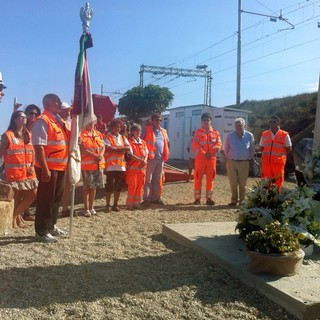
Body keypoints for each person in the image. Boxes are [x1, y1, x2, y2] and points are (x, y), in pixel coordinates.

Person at [31, 94, 69, 243]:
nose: (60, 103)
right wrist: (45, 169)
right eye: (56, 101)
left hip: (60, 166)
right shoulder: (42, 121)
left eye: (60, 100)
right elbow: (39, 147)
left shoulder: (57, 121)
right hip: (49, 167)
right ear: (47, 104)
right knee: (45, 200)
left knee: (56, 199)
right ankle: (41, 231)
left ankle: (51, 226)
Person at [0, 111, 38, 228]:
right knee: (16, 197)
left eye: (25, 117)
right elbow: (1, 152)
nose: (25, 118)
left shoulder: (29, 135)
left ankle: (13, 217)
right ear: (15, 119)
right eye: (22, 117)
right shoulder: (8, 135)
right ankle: (16, 221)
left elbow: (33, 152)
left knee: (32, 194)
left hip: (29, 172)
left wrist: (32, 165)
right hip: (14, 173)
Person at [223, 118, 255, 206]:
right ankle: (233, 201)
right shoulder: (230, 136)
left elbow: (252, 148)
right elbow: (226, 148)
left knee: (242, 183)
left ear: (244, 125)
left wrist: (249, 157)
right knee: (233, 183)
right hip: (231, 162)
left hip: (244, 163)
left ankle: (242, 201)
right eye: (236, 125)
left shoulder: (249, 135)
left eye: (240, 125)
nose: (238, 127)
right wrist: (229, 158)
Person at [192, 112, 221, 205]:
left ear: (210, 121)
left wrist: (211, 152)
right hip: (200, 159)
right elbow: (195, 144)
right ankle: (197, 199)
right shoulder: (197, 132)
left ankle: (209, 198)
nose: (206, 122)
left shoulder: (216, 133)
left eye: (208, 120)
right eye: (204, 120)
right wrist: (204, 153)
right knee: (197, 178)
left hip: (211, 159)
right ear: (201, 121)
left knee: (210, 179)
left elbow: (219, 144)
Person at [141, 114, 169, 205]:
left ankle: (155, 198)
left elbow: (167, 143)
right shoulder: (147, 130)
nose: (158, 122)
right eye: (156, 120)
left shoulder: (164, 131)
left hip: (161, 159)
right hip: (150, 159)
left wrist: (166, 154)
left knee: (157, 179)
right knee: (148, 179)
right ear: (152, 121)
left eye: (160, 120)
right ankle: (146, 199)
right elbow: (140, 141)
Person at [104, 118, 131, 212]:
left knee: (118, 186)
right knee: (109, 186)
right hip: (110, 166)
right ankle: (107, 205)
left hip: (121, 166)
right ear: (111, 128)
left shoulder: (123, 137)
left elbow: (129, 148)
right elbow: (108, 148)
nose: (117, 129)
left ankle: (115, 204)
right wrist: (121, 149)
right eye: (115, 127)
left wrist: (116, 148)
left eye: (119, 127)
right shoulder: (107, 136)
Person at [80, 118, 105, 217]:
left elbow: (103, 146)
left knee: (94, 187)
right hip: (86, 165)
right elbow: (82, 150)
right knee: (86, 187)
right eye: (89, 122)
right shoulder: (82, 134)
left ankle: (92, 207)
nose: (91, 124)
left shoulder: (98, 134)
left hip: (97, 165)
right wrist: (95, 156)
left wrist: (101, 155)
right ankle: (86, 208)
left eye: (93, 122)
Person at [259, 115, 292, 190]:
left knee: (278, 184)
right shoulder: (264, 134)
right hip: (266, 164)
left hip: (278, 164)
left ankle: (276, 199)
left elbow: (289, 148)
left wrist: (281, 156)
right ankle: (265, 199)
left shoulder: (284, 135)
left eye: (274, 122)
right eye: (270, 122)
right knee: (265, 183)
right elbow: (261, 147)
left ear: (278, 123)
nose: (272, 123)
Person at [22, 104, 41, 222]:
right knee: (23, 190)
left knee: (33, 190)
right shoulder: (21, 127)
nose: (33, 115)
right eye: (30, 113)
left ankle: (23, 213)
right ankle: (24, 213)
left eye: (35, 113)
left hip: (36, 161)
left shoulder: (38, 126)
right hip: (23, 162)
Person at [125, 123, 148, 210]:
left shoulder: (143, 142)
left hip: (142, 169)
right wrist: (141, 160)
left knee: (140, 186)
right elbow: (131, 155)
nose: (139, 132)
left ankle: (137, 203)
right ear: (133, 132)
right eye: (137, 131)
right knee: (132, 186)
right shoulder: (129, 142)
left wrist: (145, 160)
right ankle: (130, 204)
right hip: (133, 169)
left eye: (140, 131)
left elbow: (146, 153)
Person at [58, 101, 72, 217]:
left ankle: (65, 208)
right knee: (58, 186)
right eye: (66, 110)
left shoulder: (69, 123)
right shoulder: (57, 123)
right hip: (57, 160)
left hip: (67, 158)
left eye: (69, 110)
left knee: (67, 184)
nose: (68, 112)